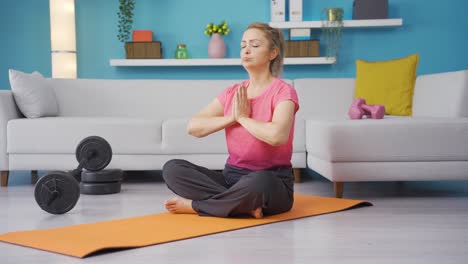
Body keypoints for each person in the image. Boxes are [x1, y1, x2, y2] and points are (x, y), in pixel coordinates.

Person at [162, 22, 299, 219]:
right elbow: (194, 127)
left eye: (255, 45)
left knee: (259, 183)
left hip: (271, 180)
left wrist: (243, 118)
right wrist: (232, 118)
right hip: (231, 177)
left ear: (272, 53)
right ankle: (243, 205)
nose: (247, 50)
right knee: (172, 169)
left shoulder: (284, 91)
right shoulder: (233, 92)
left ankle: (198, 206)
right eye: (243, 46)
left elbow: (277, 136)